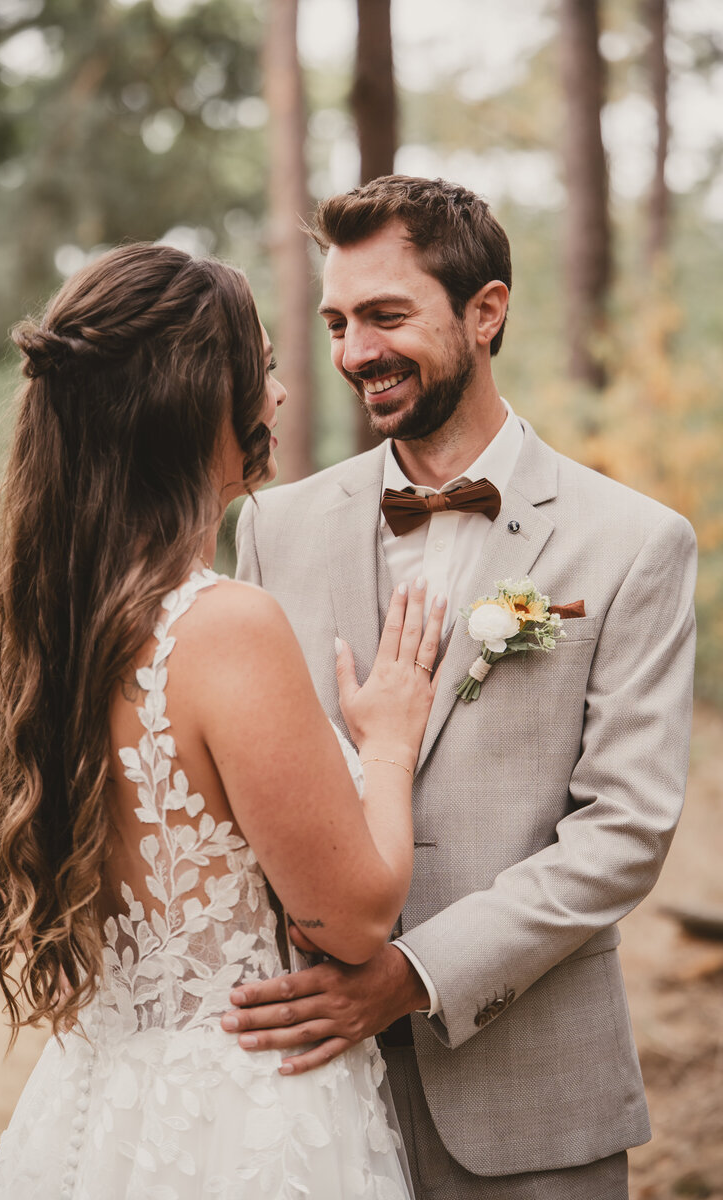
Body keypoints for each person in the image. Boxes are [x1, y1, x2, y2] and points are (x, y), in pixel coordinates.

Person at [232, 175, 697, 1199]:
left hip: (528, 1099)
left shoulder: (632, 544)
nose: (354, 352)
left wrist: (411, 975)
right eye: (337, 322)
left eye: (386, 314)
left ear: (484, 312)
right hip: (306, 1107)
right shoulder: (274, 527)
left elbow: (622, 830)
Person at [0, 241, 450, 1199]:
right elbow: (352, 917)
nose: (275, 395)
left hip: (97, 1105)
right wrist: (387, 745)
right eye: (261, 368)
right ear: (199, 401)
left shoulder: (36, 635)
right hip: (244, 1115)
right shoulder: (224, 624)